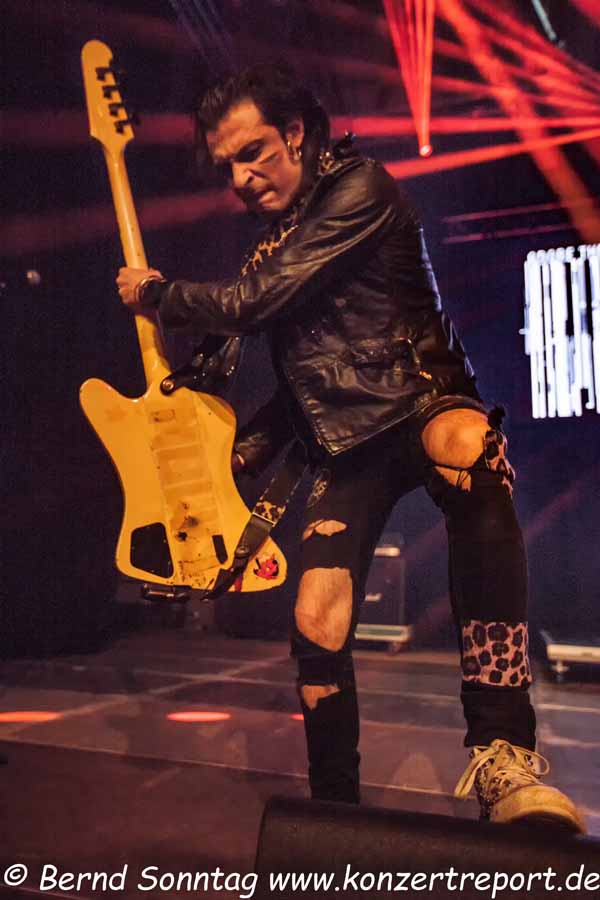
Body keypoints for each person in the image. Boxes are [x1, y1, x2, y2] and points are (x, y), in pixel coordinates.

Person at [117, 63, 584, 832]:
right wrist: (230, 459)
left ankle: (504, 756)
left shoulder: (360, 189)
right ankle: (335, 812)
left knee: (471, 447)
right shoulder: (271, 248)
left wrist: (157, 293)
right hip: (344, 445)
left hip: (421, 401)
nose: (241, 178)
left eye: (253, 152)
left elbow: (250, 305)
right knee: (318, 615)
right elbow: (305, 386)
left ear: (296, 133)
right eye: (227, 164)